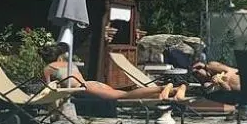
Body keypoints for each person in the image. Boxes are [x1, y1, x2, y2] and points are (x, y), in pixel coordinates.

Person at [40, 43, 178, 101]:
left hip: (83, 88)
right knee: (124, 94)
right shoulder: (67, 62)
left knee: (124, 96)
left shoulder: (48, 68)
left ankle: (162, 87)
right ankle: (174, 90)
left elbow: (48, 89)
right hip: (91, 83)